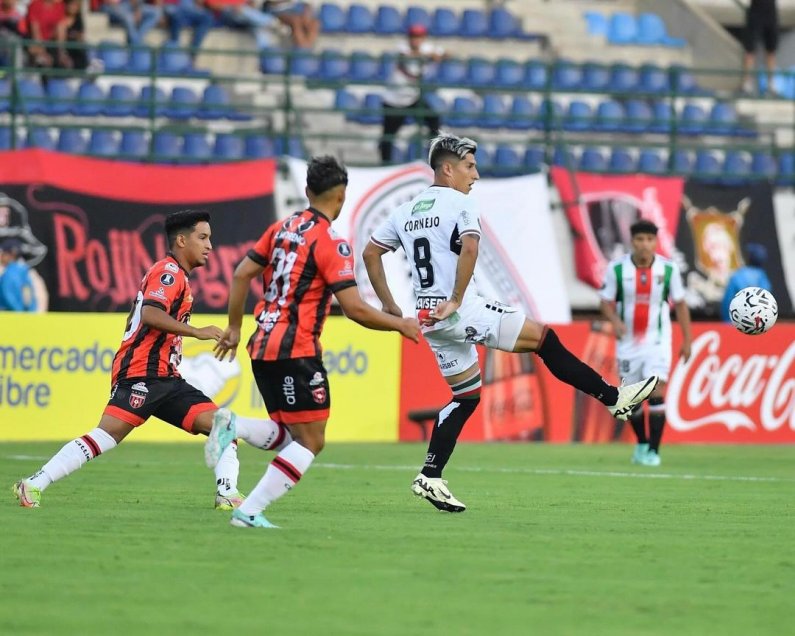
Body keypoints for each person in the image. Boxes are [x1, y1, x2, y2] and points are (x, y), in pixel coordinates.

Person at [362, 132, 659, 513]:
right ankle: (613, 398)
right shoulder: (460, 203)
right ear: (448, 169)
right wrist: (455, 299)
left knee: (465, 397)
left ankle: (430, 476)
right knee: (544, 339)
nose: (477, 174)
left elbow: (371, 253)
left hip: (429, 318)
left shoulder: (407, 210)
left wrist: (389, 305)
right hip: (458, 310)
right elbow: (470, 246)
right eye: (470, 166)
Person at [12, 210, 291, 509]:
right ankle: (33, 483)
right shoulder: (168, 273)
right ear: (181, 240)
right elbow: (151, 314)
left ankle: (227, 493)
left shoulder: (178, 275)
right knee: (106, 436)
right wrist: (197, 331)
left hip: (166, 378)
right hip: (141, 373)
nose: (210, 245)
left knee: (224, 427)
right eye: (203, 238)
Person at [208, 156, 421, 529]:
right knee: (311, 441)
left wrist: (235, 327)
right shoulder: (331, 243)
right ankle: (249, 511)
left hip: (261, 346)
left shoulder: (280, 229)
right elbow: (354, 309)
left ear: (307, 192)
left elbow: (242, 274)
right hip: (296, 350)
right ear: (341, 198)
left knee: (289, 434)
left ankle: (235, 428)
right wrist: (399, 324)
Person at [599, 219, 692, 467]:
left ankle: (653, 450)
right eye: (640, 239)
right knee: (633, 398)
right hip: (628, 344)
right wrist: (615, 321)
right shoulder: (617, 270)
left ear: (655, 242)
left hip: (658, 341)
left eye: (649, 240)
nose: (645, 244)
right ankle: (641, 442)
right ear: (632, 241)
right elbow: (604, 302)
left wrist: (688, 340)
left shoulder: (668, 270)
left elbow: (680, 304)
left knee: (657, 390)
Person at [379, 23, 444, 164]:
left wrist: (437, 55)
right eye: (414, 36)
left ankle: (434, 158)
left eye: (419, 36)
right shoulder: (401, 47)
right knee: (388, 136)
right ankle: (385, 165)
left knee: (434, 121)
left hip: (413, 98)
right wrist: (430, 56)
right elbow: (407, 55)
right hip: (394, 100)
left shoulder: (426, 48)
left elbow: (446, 53)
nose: (416, 39)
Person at [721, 243, 773, 322]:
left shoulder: (738, 275)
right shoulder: (763, 277)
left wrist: (727, 321)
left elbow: (726, 302)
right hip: (757, 324)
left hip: (734, 323)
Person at [741, 0, 779, 95]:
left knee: (771, 50)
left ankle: (771, 84)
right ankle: (747, 84)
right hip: (756, 11)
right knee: (750, 50)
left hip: (770, 11)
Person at [0, 238, 36, 311]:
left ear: (10, 255)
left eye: (3, 253)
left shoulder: (9, 274)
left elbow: (8, 296)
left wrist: (19, 311)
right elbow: (28, 295)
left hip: (9, 315)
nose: (1, 257)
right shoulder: (23, 271)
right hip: (24, 315)